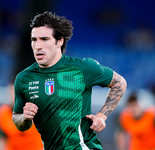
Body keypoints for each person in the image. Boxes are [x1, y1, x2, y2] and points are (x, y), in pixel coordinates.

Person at [12, 11, 127, 150]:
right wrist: (24, 118)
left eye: (44, 39)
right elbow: (17, 119)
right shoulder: (24, 78)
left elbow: (119, 83)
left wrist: (102, 116)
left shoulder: (82, 68)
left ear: (59, 41)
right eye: (34, 40)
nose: (37, 46)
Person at [0, 82, 44, 150]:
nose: (14, 97)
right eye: (11, 94)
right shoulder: (3, 113)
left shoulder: (37, 110)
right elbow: (1, 139)